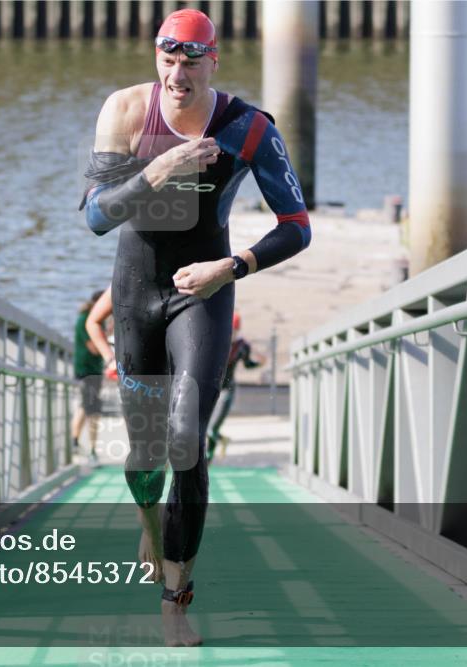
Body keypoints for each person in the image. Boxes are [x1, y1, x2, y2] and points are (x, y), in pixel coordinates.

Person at [79, 8, 311, 646]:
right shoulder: (125, 111)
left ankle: (175, 598)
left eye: (192, 61)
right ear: (157, 57)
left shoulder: (248, 127)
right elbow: (96, 217)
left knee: (186, 440)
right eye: (168, 59)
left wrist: (231, 266)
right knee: (144, 455)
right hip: (134, 292)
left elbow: (297, 224)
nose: (178, 74)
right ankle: (149, 524)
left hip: (204, 289)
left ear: (214, 61)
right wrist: (157, 170)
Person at [206, 311, 266, 463]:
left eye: (234, 330)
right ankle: (219, 444)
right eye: (228, 329)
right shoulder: (216, 338)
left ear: (238, 330)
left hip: (227, 389)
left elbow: (247, 364)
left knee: (211, 428)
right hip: (211, 387)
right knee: (204, 427)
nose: (231, 333)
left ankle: (208, 460)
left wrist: (260, 363)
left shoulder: (242, 346)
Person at [71, 290, 106, 462]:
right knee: (92, 409)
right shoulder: (86, 320)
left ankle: (76, 442)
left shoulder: (89, 318)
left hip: (92, 370)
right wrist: (109, 352)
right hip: (88, 371)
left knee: (85, 406)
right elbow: (94, 348)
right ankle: (88, 449)